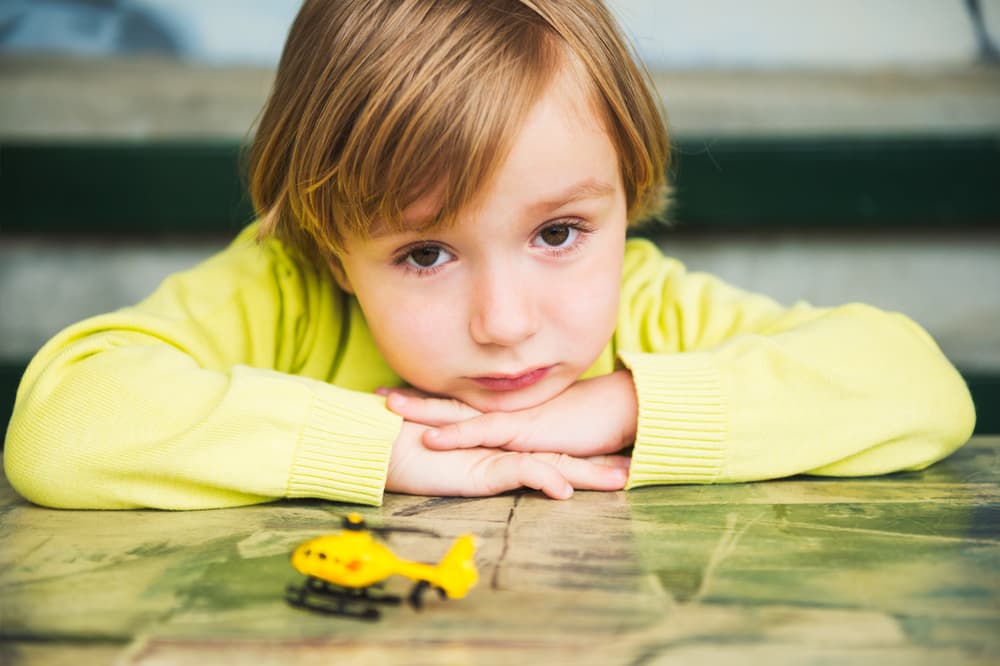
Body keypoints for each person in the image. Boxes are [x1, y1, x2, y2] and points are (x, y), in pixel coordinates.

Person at [3, 0, 976, 510]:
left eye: (557, 234)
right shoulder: (287, 295)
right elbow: (63, 426)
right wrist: (383, 450)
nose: (506, 323)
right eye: (425, 254)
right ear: (332, 249)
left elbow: (917, 387)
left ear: (625, 194)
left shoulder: (644, 311)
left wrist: (625, 406)